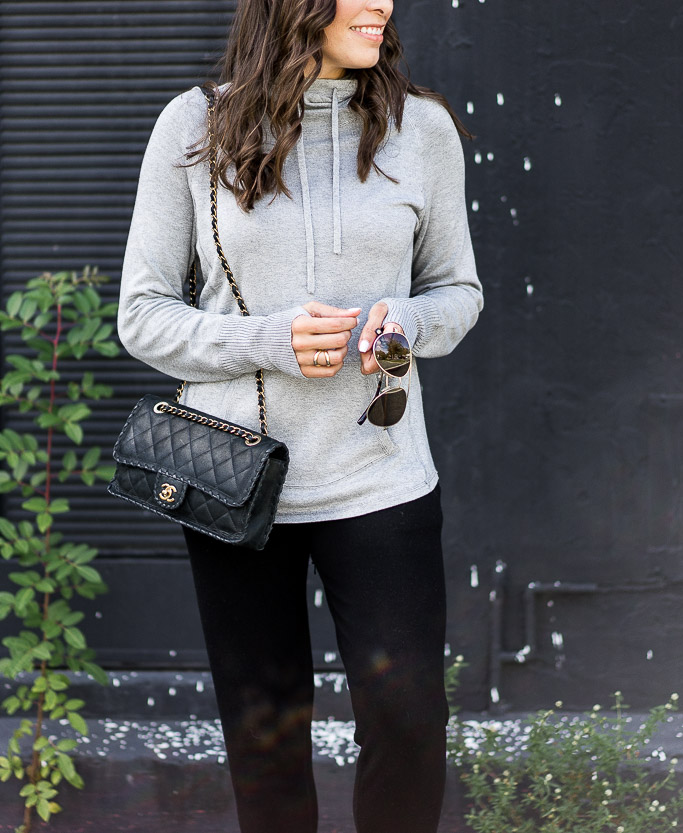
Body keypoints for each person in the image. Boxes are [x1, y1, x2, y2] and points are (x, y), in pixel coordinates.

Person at [117, 0, 482, 829]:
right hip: (236, 481)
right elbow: (140, 315)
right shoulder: (192, 126)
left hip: (379, 476)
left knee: (411, 721)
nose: (382, 3)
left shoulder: (420, 129)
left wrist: (408, 323)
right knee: (266, 741)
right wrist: (269, 340)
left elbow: (458, 291)